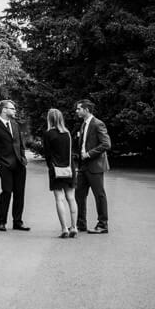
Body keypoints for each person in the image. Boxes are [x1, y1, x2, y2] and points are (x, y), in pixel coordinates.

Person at [0, 99, 29, 231]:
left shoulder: (15, 125)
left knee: (19, 193)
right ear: (4, 110)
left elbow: (20, 144)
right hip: (5, 165)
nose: (14, 111)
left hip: (19, 164)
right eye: (12, 108)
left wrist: (23, 158)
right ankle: (1, 222)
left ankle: (18, 222)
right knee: (6, 192)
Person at [74, 99, 111, 234]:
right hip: (83, 167)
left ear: (87, 110)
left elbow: (106, 144)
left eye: (79, 109)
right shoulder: (83, 124)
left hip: (95, 166)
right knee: (79, 195)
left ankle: (103, 225)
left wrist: (89, 154)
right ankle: (81, 224)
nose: (77, 111)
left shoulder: (98, 124)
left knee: (99, 195)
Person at [44, 108, 78, 238]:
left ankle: (64, 228)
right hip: (69, 168)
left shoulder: (48, 134)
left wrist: (50, 167)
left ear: (49, 119)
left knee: (59, 199)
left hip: (56, 169)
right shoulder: (67, 133)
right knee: (71, 198)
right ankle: (74, 226)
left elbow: (47, 154)